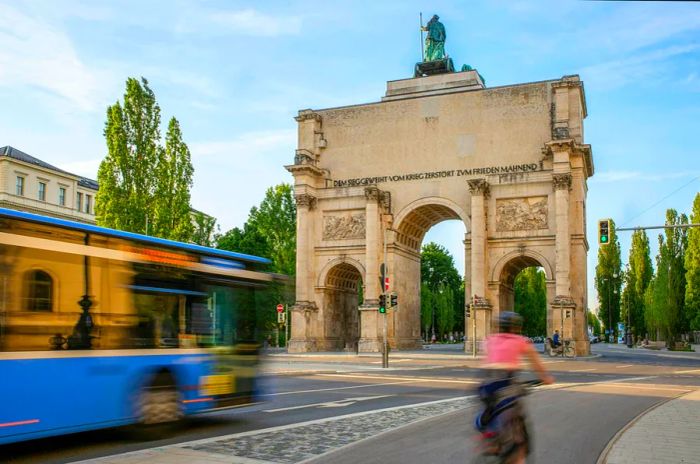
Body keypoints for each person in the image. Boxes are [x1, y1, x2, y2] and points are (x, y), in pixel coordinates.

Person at [478, 312, 554, 463]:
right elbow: (537, 366)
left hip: (486, 387)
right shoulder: (521, 341)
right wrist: (546, 378)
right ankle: (519, 452)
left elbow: (486, 359)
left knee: (490, 410)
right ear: (516, 328)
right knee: (517, 420)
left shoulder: (489, 340)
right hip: (506, 385)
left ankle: (490, 440)